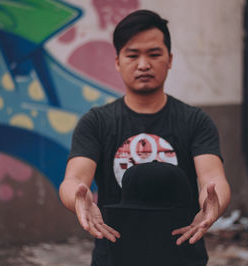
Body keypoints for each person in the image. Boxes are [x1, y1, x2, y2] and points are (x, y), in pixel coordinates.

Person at [59, 9, 231, 266]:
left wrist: (212, 204)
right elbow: (73, 179)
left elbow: (213, 178)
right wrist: (77, 199)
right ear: (118, 61)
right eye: (132, 55)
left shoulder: (195, 121)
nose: (143, 64)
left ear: (169, 59)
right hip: (115, 256)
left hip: (182, 254)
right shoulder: (96, 122)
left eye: (154, 54)